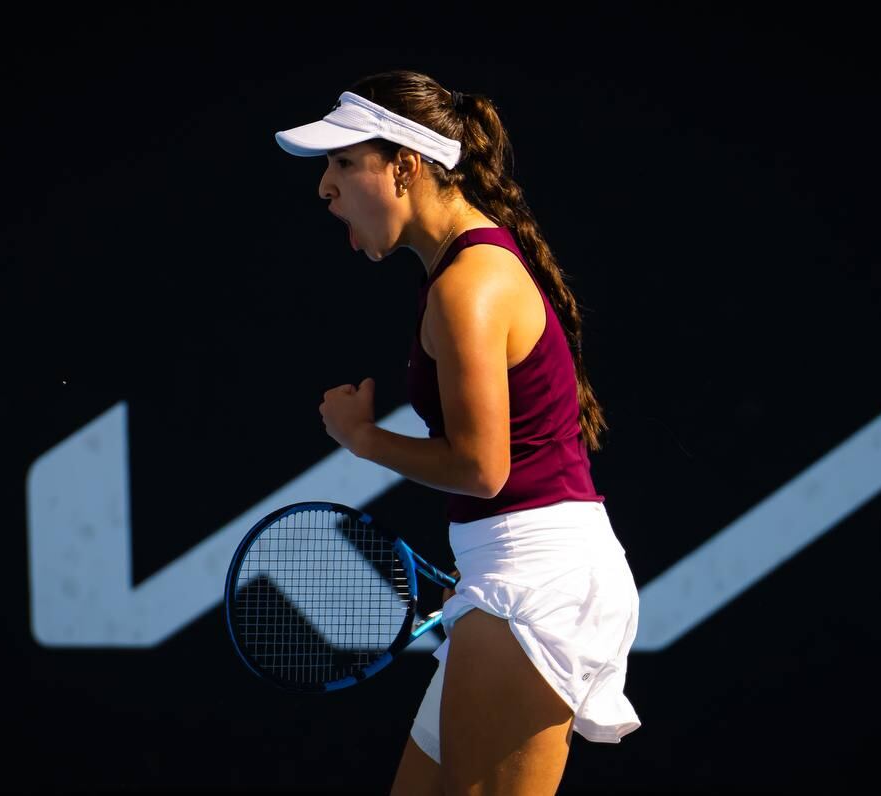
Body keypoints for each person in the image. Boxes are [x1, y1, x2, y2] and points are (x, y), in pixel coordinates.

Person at [275, 69, 640, 795]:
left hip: (535, 582)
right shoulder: (465, 271)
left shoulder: (468, 286)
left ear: (405, 166)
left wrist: (362, 437)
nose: (325, 187)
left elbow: (482, 470)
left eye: (344, 163)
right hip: (519, 573)